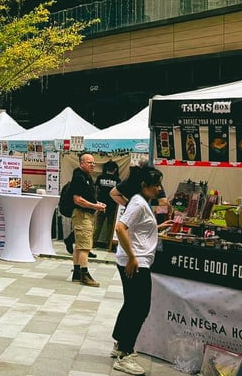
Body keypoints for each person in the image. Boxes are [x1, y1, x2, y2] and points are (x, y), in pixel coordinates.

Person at [111, 165, 171, 375]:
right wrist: (133, 258)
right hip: (137, 262)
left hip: (134, 259)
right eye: (156, 185)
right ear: (144, 185)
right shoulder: (137, 202)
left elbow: (138, 228)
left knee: (131, 304)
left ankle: (120, 345)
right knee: (140, 308)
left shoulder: (139, 201)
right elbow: (121, 228)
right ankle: (125, 354)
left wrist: (158, 227)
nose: (159, 189)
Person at [69, 153, 105, 287]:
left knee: (79, 245)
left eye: (94, 163)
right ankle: (85, 274)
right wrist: (95, 206)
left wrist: (97, 203)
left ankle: (77, 273)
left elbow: (87, 197)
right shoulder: (79, 177)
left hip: (85, 214)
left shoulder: (86, 177)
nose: (92, 165)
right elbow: (77, 199)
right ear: (81, 163)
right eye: (89, 162)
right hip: (82, 215)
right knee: (85, 246)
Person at [94, 160, 121, 249]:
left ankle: (92, 243)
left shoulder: (100, 177)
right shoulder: (117, 180)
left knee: (97, 226)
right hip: (113, 206)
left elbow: (96, 190)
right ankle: (109, 245)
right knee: (110, 227)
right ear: (115, 170)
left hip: (101, 205)